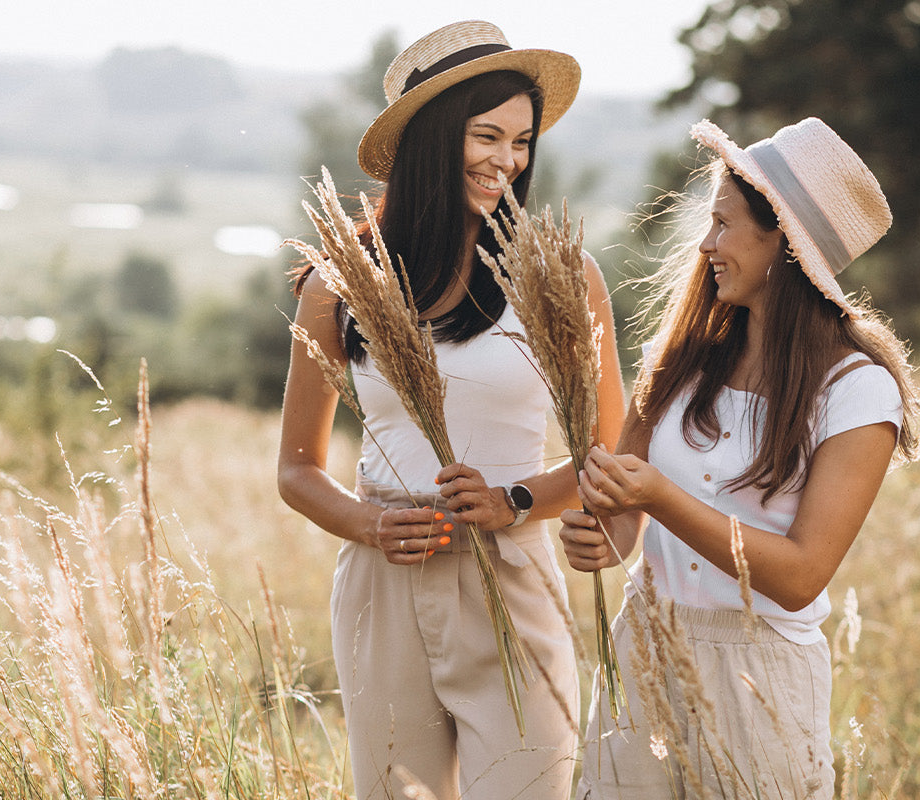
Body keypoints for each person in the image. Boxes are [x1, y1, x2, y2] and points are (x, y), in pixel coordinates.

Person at [277, 20, 626, 800]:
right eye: (486, 136)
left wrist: (516, 501)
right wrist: (370, 525)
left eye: (522, 141)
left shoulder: (563, 275)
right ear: (435, 139)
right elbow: (296, 471)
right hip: (385, 581)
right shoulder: (340, 284)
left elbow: (613, 446)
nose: (508, 160)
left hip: (514, 573)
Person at [559, 118, 920, 799]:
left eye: (723, 224)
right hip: (643, 647)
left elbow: (801, 576)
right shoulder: (682, 356)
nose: (706, 244)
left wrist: (659, 498)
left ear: (782, 240)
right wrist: (599, 534)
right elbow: (622, 530)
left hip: (762, 674)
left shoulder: (857, 390)